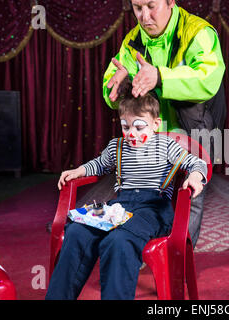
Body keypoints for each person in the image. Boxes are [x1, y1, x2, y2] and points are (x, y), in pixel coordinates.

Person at [45, 90, 207, 300]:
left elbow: (197, 162)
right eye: (125, 126)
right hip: (120, 204)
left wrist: (195, 176)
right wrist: (79, 171)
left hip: (153, 207)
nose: (132, 133)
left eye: (139, 127)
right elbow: (99, 164)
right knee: (76, 231)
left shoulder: (166, 145)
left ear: (156, 124)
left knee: (118, 240)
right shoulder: (117, 146)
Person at [102, 0, 226, 247]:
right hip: (156, 132)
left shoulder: (198, 31)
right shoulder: (132, 40)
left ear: (171, 1)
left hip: (195, 125)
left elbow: (207, 78)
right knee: (143, 189)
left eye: (151, 6)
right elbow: (111, 91)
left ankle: (180, 255)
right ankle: (138, 241)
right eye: (138, 8)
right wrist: (121, 85)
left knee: (188, 193)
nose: (144, 16)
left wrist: (159, 76)